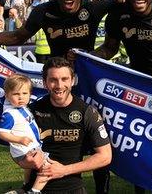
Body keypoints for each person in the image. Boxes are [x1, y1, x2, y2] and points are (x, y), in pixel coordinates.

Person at [19, 57, 112, 193]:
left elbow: (105, 156)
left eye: (64, 79)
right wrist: (24, 162)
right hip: (35, 189)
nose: (59, 85)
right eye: (53, 80)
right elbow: (18, 151)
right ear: (45, 83)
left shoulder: (87, 112)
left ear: (72, 80)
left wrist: (64, 170)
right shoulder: (32, 111)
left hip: (72, 189)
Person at [0, 74, 50, 194]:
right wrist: (19, 139)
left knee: (30, 169)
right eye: (16, 94)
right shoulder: (9, 114)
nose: (21, 97)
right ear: (7, 96)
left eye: (24, 93)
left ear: (30, 94)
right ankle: (35, 191)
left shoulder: (23, 108)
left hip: (30, 148)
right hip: (23, 151)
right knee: (47, 167)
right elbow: (1, 133)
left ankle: (26, 185)